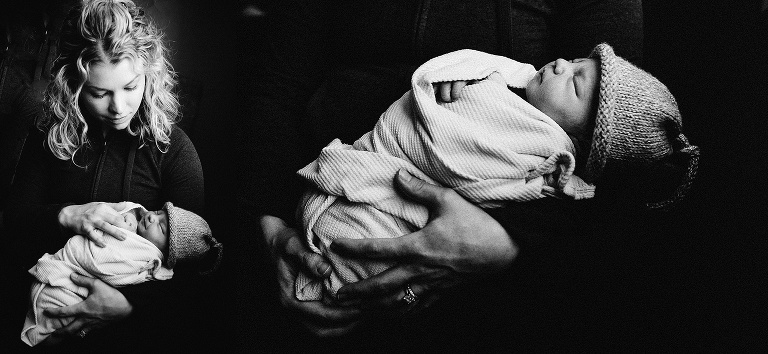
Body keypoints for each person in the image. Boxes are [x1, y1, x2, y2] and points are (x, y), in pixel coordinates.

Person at [238, 0, 650, 351]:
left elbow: (607, 154)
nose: (565, 67)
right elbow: (280, 82)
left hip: (494, 284)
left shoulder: (580, 80)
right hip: (317, 196)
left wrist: (506, 244)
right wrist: (268, 226)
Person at [294, 43, 699, 302]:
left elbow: (457, 160)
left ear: (585, 143)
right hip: (361, 154)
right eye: (576, 61)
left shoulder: (543, 153)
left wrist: (504, 240)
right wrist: (471, 78)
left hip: (398, 217)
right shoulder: (505, 82)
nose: (560, 64)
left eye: (575, 83)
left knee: (354, 253)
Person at [4, 0, 206, 350]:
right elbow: (13, 226)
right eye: (99, 93)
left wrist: (128, 307)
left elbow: (197, 274)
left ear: (149, 73)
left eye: (130, 87)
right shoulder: (49, 135)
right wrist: (65, 214)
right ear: (73, 84)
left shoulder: (174, 151)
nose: (119, 108)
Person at [21, 201, 223, 347]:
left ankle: (43, 335)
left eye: (161, 227)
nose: (152, 216)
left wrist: (111, 234)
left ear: (168, 253)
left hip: (71, 292)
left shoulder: (146, 256)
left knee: (56, 317)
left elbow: (105, 265)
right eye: (158, 211)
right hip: (57, 273)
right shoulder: (135, 223)